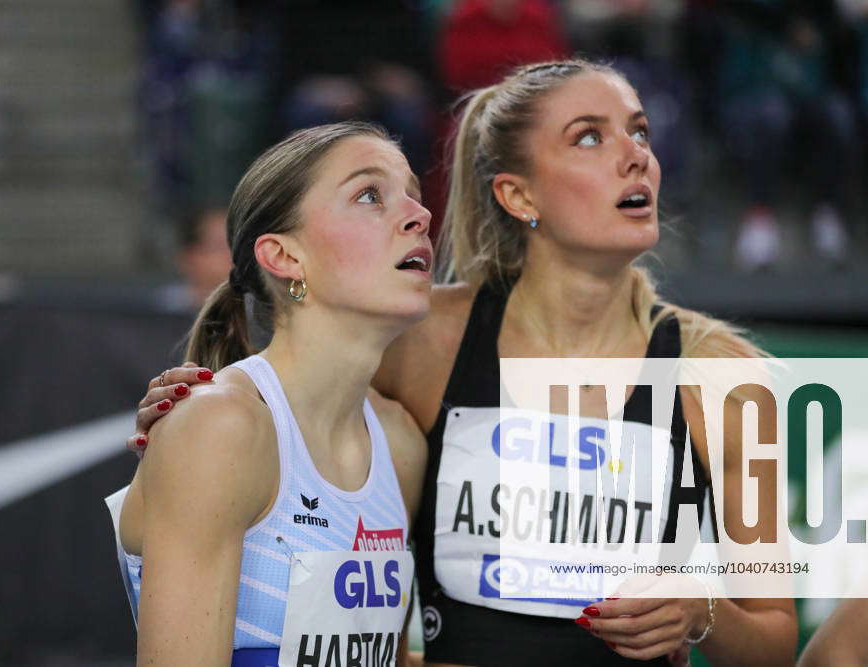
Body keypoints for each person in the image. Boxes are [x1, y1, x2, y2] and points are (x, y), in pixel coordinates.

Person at [130, 60, 798, 665]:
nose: (637, 159)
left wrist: (701, 610)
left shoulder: (727, 377)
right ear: (518, 195)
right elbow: (288, 408)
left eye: (642, 133)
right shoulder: (421, 339)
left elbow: (777, 641)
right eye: (590, 137)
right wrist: (193, 417)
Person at [113, 121, 432, 666]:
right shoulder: (222, 427)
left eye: (414, 195)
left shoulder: (400, 442)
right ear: (285, 257)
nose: (420, 215)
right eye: (370, 194)